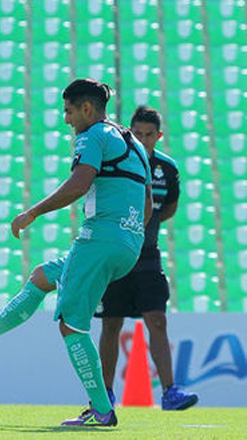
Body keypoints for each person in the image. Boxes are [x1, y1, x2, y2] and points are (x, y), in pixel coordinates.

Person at [0, 79, 153, 427]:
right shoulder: (133, 141)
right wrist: (127, 237)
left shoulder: (92, 135)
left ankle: (102, 410)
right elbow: (147, 202)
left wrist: (33, 212)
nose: (66, 119)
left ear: (87, 108)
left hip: (99, 240)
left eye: (69, 111)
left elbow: (80, 183)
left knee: (71, 325)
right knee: (42, 277)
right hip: (130, 243)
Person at [96, 106, 198, 410]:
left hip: (148, 256)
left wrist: (145, 226)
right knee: (111, 323)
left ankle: (169, 392)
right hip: (116, 254)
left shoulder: (167, 169)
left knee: (157, 320)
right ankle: (105, 395)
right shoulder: (115, 161)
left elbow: (169, 208)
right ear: (129, 132)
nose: (142, 139)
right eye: (137, 133)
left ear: (159, 135)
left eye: (149, 135)